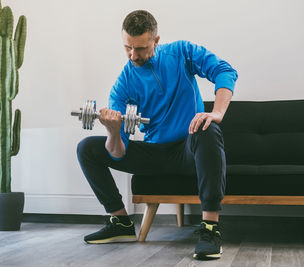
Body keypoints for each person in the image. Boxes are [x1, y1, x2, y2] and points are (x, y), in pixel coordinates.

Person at [76, 10, 238, 260]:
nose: (133, 55)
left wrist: (216, 113)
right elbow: (118, 152)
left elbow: (224, 70)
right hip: (154, 155)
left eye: (140, 48)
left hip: (188, 149)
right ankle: (121, 223)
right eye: (127, 47)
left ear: (156, 40)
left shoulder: (182, 53)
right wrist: (113, 130)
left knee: (208, 128)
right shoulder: (124, 83)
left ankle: (210, 229)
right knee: (86, 148)